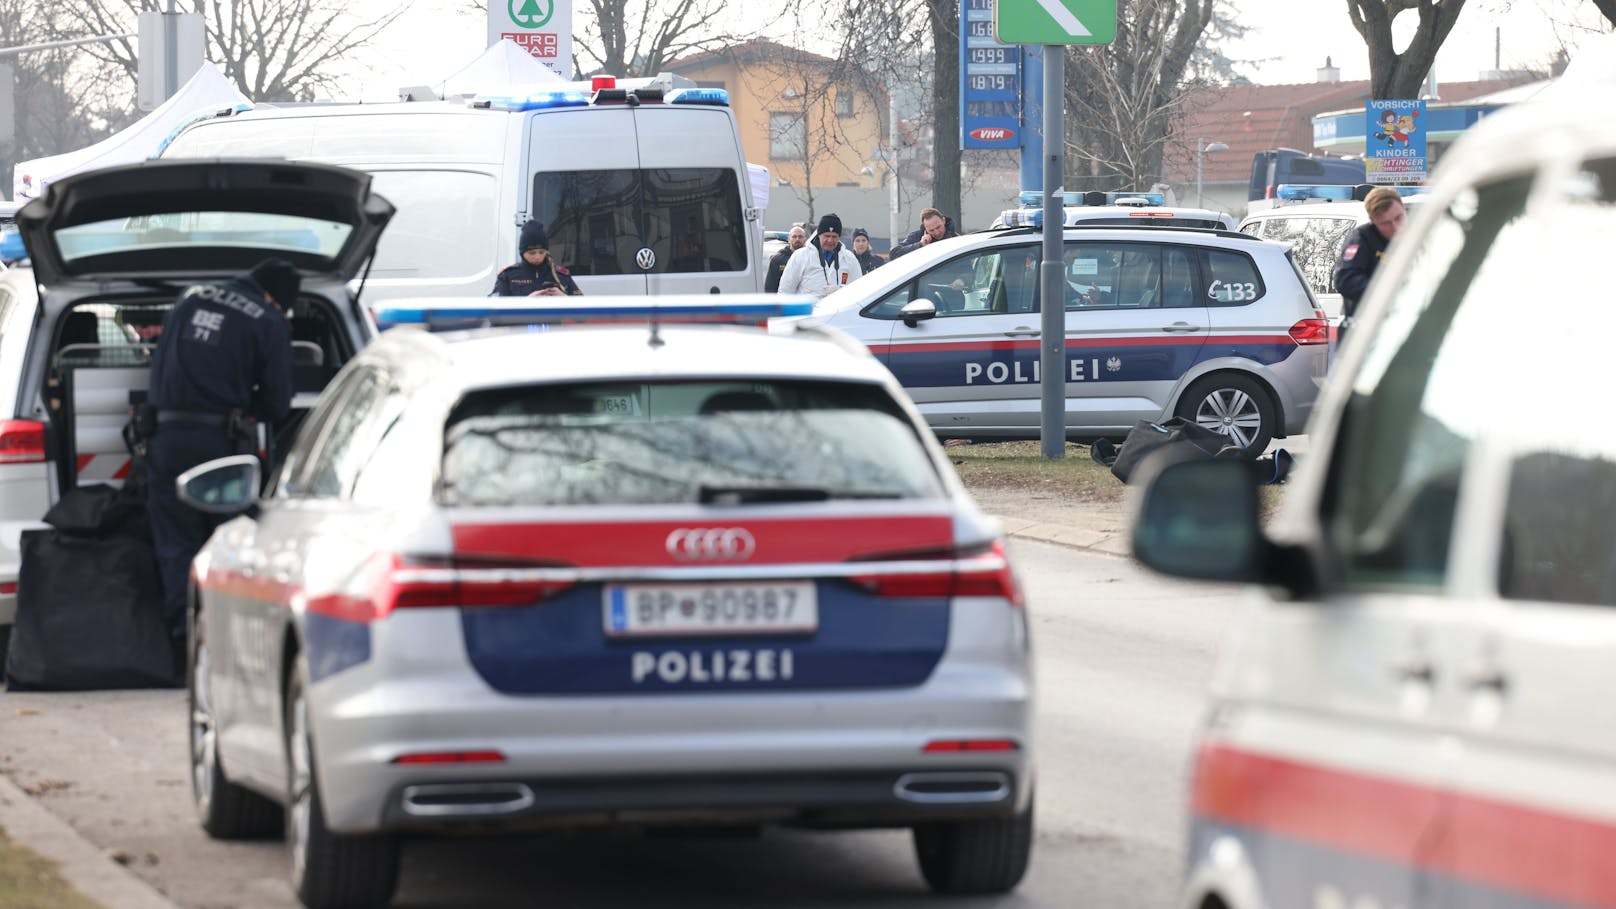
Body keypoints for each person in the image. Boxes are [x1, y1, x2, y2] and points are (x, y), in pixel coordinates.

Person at [145, 258, 297, 661]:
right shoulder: (267, 318)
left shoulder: (189, 298)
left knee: (175, 544)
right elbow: (278, 403)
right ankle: (227, 649)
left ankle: (182, 648)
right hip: (218, 443)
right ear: (275, 297)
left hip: (163, 437)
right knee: (226, 543)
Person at [1333, 186, 1407, 335]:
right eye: (1385, 223)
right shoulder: (1362, 239)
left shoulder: (1419, 234)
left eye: (1399, 218)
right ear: (1373, 221)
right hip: (1365, 334)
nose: (1396, 227)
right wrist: (1386, 292)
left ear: (1404, 208)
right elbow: (1345, 280)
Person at [778, 213, 862, 299]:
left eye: (834, 237)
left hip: (840, 311)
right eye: (827, 236)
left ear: (839, 237)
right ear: (819, 235)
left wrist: (841, 291)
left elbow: (859, 291)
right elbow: (785, 291)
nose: (830, 240)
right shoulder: (800, 256)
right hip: (809, 311)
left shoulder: (849, 258)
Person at [493, 220, 582, 296]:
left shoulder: (560, 275)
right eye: (532, 253)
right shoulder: (508, 276)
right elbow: (493, 306)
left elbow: (582, 306)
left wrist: (565, 298)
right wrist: (526, 302)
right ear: (522, 253)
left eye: (541, 252)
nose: (537, 257)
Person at [889, 207, 960, 260]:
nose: (937, 232)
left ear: (943, 220)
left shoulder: (956, 238)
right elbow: (894, 254)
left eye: (938, 227)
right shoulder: (917, 237)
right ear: (925, 228)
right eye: (931, 230)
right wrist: (920, 245)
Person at [764, 224, 807, 293]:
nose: (797, 239)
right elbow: (770, 288)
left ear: (805, 239)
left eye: (800, 237)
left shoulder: (811, 258)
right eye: (794, 236)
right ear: (789, 239)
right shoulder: (777, 260)